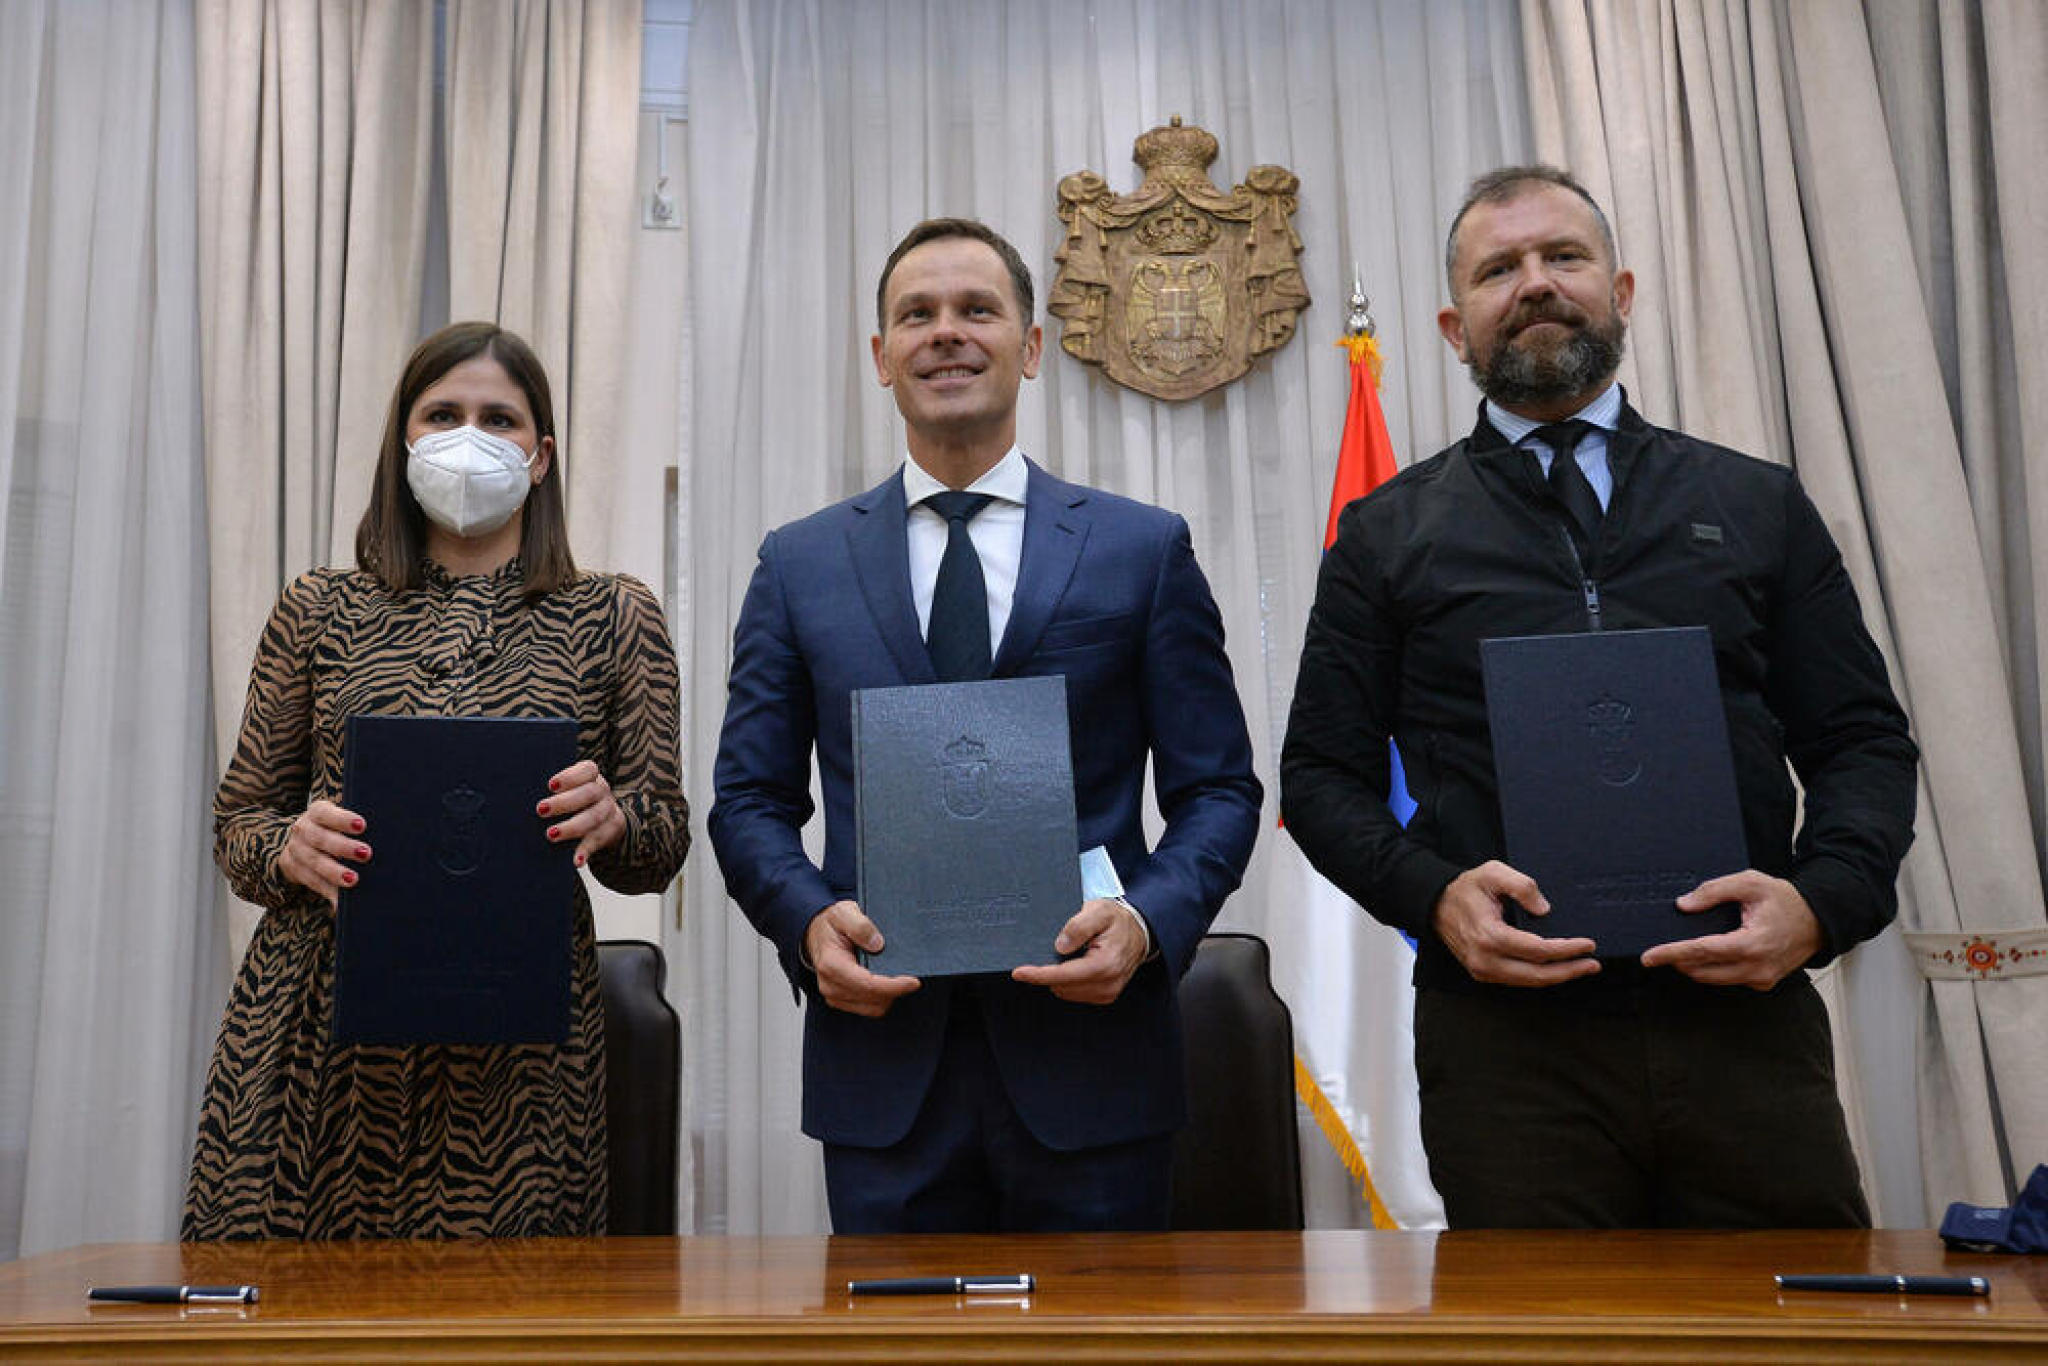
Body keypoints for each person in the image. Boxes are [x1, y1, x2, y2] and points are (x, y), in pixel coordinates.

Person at [1280, 166, 1918, 1229]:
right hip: (1504, 1049)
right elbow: (1318, 776)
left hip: (1740, 1027)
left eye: (1561, 257)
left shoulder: (1754, 502)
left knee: (1799, 1334)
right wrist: (1432, 897)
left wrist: (1819, 904)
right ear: (1452, 324)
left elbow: (1860, 741)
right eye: (1497, 269)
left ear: (1620, 291)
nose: (1532, 284)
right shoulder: (1384, 533)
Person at [709, 218, 1261, 1233]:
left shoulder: (1139, 550)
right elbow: (747, 800)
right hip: (884, 1069)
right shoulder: (799, 565)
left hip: (1093, 1065)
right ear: (879, 358)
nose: (945, 333)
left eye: (977, 310)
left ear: (1032, 345)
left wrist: (1143, 924)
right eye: (914, 315)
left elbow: (1217, 791)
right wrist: (804, 920)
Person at [183, 322, 690, 1240]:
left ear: (540, 458)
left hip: (521, 1054)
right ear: (404, 442)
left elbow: (661, 847)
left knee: (507, 1318)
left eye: (499, 419)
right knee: (287, 1319)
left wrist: (616, 819)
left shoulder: (614, 614)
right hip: (314, 1031)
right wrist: (287, 845)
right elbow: (238, 826)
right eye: (443, 414)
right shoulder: (318, 606)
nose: (469, 436)